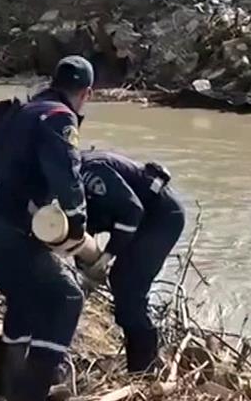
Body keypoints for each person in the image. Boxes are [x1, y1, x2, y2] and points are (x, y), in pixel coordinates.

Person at [0, 56, 95, 401]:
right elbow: (66, 175)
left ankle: (6, 389)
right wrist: (77, 227)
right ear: (86, 93)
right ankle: (30, 394)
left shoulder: (18, 111)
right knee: (66, 296)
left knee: (25, 296)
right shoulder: (59, 117)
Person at [76, 150, 184, 373]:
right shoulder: (62, 180)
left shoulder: (89, 172)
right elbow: (79, 227)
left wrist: (108, 254)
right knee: (120, 284)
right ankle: (140, 358)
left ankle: (144, 370)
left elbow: (132, 210)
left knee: (128, 286)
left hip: (160, 216)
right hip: (139, 217)